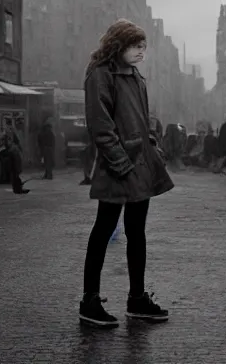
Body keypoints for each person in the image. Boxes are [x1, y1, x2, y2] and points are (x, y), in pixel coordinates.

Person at [78, 19, 174, 328]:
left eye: (144, 47)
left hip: (139, 166)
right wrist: (121, 162)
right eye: (137, 46)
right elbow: (100, 126)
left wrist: (152, 149)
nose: (142, 52)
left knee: (137, 232)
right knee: (103, 231)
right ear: (119, 45)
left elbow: (142, 123)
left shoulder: (136, 77)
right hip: (116, 167)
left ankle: (136, 299)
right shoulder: (100, 75)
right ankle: (89, 301)